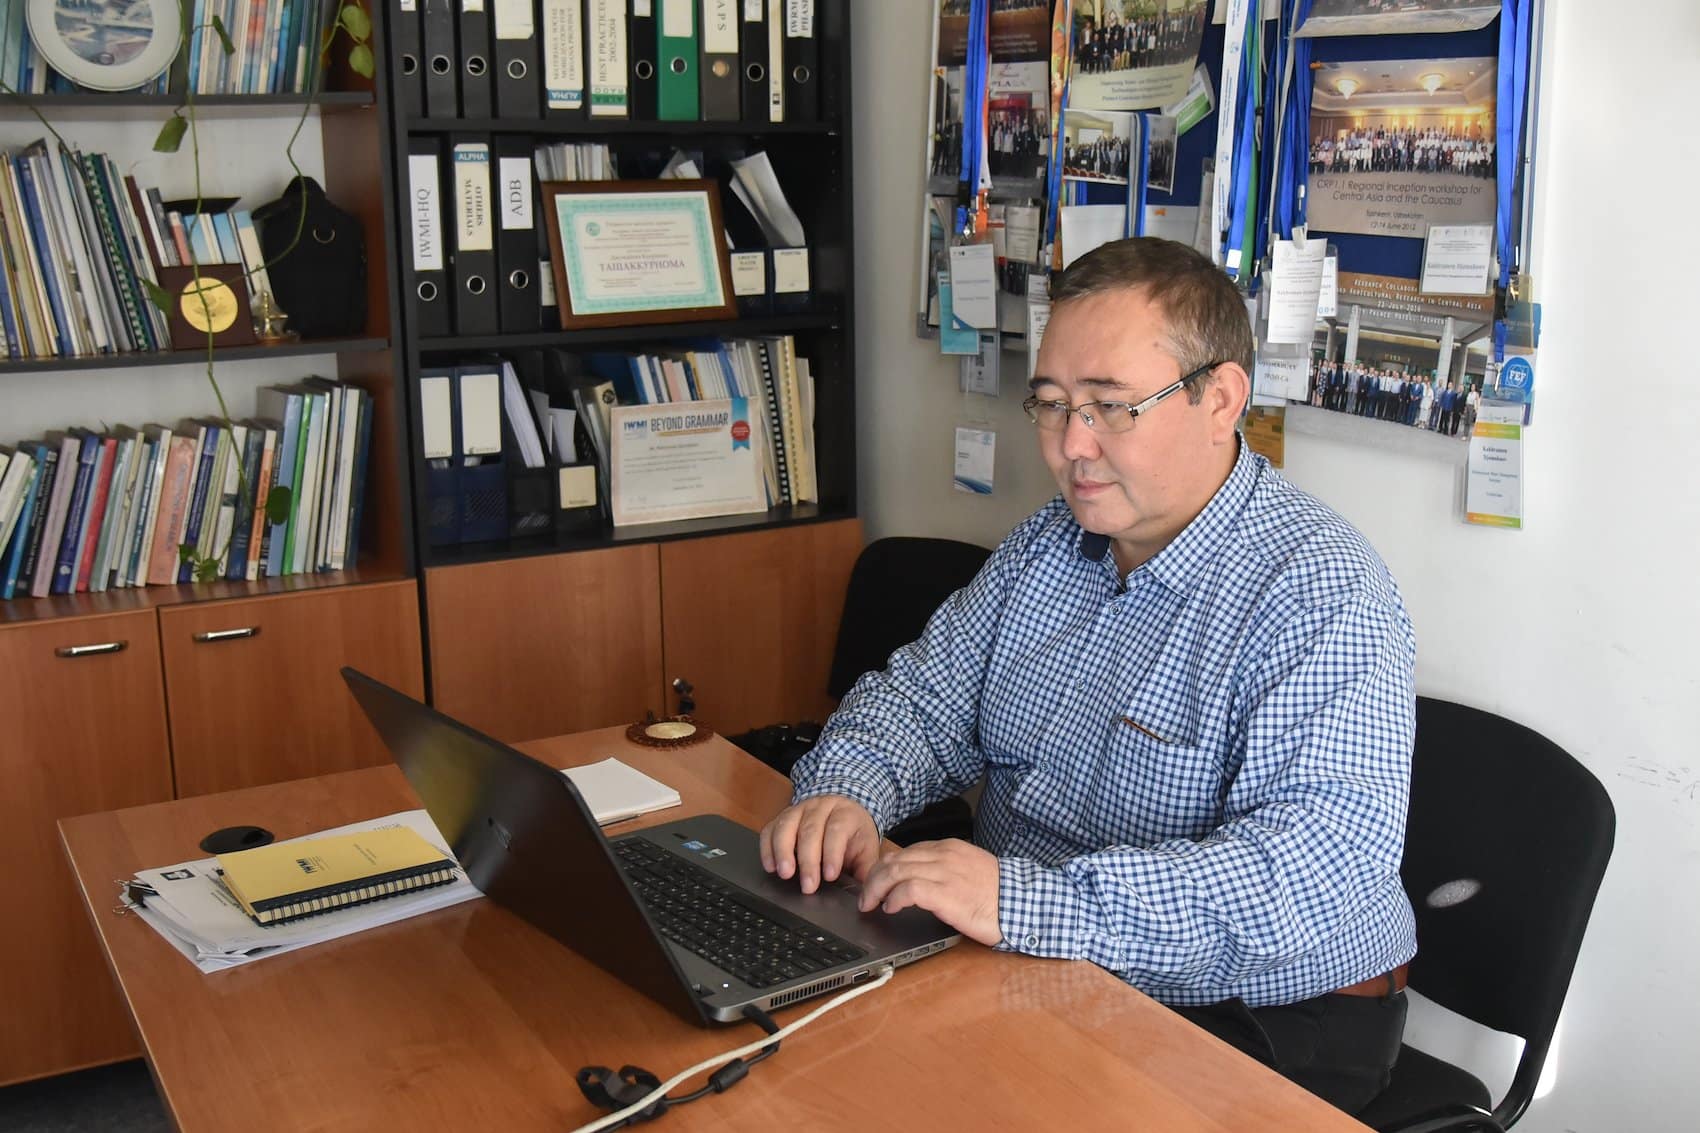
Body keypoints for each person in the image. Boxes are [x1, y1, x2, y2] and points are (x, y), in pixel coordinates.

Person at [759, 237, 1417, 1116]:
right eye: (1053, 404)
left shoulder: (1322, 592)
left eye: (1111, 406)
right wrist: (848, 793)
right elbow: (919, 700)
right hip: (1040, 950)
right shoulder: (1048, 546)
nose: (1072, 446)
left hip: (1266, 1011)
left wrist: (1026, 902)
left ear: (1219, 399)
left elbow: (1305, 877)